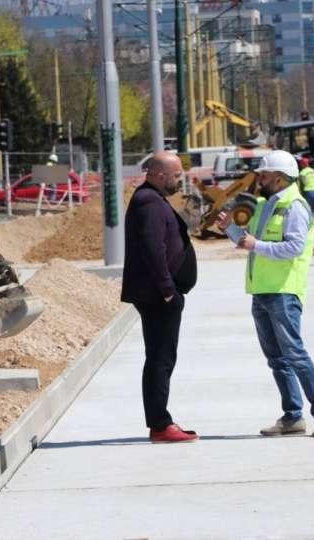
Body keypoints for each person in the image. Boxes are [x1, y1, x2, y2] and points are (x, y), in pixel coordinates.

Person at [216, 150, 314, 438]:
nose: (260, 178)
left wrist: (255, 245)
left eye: (265, 175)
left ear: (279, 178)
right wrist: (230, 229)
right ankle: (293, 417)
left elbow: (292, 247)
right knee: (277, 359)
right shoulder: (268, 204)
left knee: (295, 354)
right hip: (263, 292)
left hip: (284, 292)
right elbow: (250, 241)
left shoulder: (295, 206)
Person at [121, 152, 198, 444]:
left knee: (162, 357)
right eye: (177, 175)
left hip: (160, 294)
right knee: (160, 359)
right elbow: (154, 250)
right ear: (160, 175)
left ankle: (160, 422)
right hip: (158, 296)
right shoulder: (148, 201)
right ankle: (160, 424)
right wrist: (168, 291)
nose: (180, 180)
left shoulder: (153, 199)